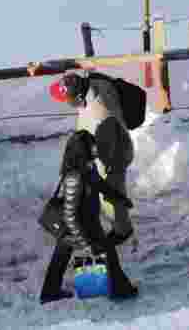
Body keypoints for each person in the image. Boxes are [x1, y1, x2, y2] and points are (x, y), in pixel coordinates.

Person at [39, 130, 137, 304]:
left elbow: (100, 185)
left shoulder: (88, 168)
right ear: (81, 150)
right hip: (78, 226)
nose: (95, 149)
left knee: (60, 258)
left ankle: (50, 292)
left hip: (85, 221)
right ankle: (121, 290)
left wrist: (120, 199)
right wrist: (85, 244)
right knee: (108, 254)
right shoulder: (74, 178)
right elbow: (69, 216)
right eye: (92, 146)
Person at [44, 71, 135, 242]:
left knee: (111, 194)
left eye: (67, 100)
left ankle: (122, 230)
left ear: (78, 98)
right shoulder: (93, 84)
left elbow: (106, 150)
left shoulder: (99, 115)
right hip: (111, 143)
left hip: (115, 156)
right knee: (109, 192)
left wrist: (99, 168)